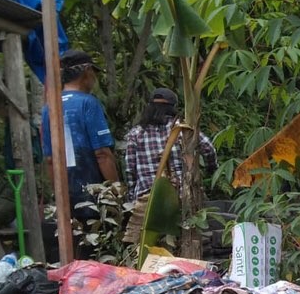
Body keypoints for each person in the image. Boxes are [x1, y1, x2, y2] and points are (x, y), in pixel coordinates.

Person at [122, 88, 218, 243]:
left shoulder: (136, 133)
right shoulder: (183, 129)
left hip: (148, 199)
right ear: (173, 108)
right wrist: (211, 169)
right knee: (181, 241)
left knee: (144, 246)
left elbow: (130, 171)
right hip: (180, 197)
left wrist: (133, 199)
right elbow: (209, 149)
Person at [40, 49, 119, 220]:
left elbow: (49, 160)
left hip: (66, 192)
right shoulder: (88, 103)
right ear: (87, 72)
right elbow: (102, 154)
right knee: (98, 239)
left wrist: (58, 194)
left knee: (74, 240)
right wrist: (116, 193)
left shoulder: (48, 108)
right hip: (92, 190)